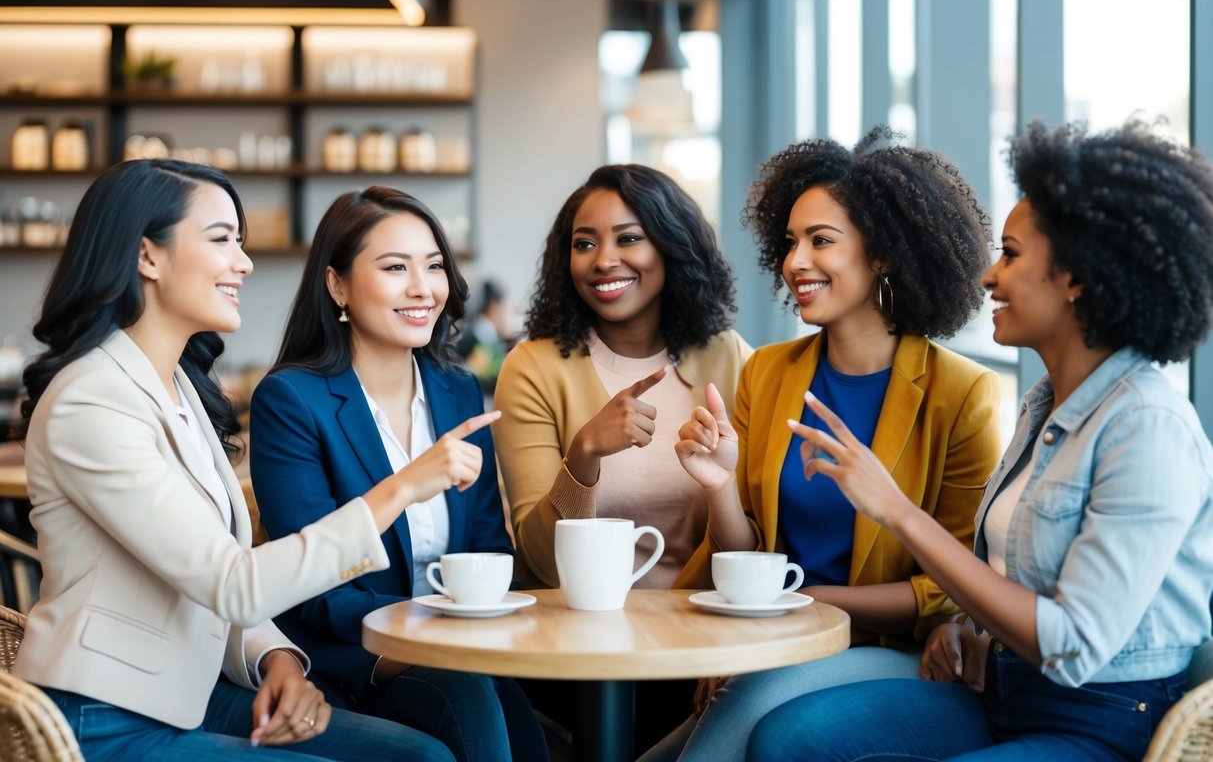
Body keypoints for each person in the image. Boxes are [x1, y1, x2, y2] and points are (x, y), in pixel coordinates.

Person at [747, 120, 1213, 762]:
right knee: (786, 741)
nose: (990, 277)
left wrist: (897, 512)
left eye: (1013, 255)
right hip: (999, 696)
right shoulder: (1044, 405)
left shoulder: (1148, 426)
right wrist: (962, 626)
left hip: (1099, 725)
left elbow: (1071, 640)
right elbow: (1015, 571)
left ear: (1076, 276)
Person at [11, 159, 454, 761]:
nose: (243, 262)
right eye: (222, 240)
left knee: (420, 755)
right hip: (104, 720)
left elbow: (207, 577)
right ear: (148, 256)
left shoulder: (180, 389)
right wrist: (399, 491)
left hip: (186, 693)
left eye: (240, 242)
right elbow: (233, 583)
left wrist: (279, 660)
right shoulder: (91, 400)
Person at [645, 128, 1002, 762]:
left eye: (821, 241)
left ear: (885, 254)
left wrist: (794, 602)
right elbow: (745, 552)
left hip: (885, 653)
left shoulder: (961, 391)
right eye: (790, 242)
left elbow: (945, 589)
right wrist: (719, 485)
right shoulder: (768, 371)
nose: (795, 262)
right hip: (774, 639)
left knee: (738, 724)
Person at [248, 187, 548, 762]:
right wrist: (425, 632)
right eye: (395, 267)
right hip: (355, 652)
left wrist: (468, 617)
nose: (423, 288)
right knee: (475, 699)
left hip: (457, 643)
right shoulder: (291, 399)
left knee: (521, 718)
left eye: (433, 265)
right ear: (337, 285)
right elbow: (309, 582)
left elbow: (489, 544)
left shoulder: (456, 389)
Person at [492, 163, 751, 753]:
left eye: (628, 237)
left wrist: (719, 487)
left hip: (703, 647)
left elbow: (751, 546)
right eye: (585, 244)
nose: (604, 259)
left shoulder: (729, 359)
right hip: (575, 647)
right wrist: (584, 453)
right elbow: (537, 559)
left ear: (672, 247)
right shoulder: (533, 366)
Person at [453, 279, 515, 394]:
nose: (512, 315)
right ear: (493, 305)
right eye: (508, 307)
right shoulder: (478, 338)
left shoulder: (481, 333)